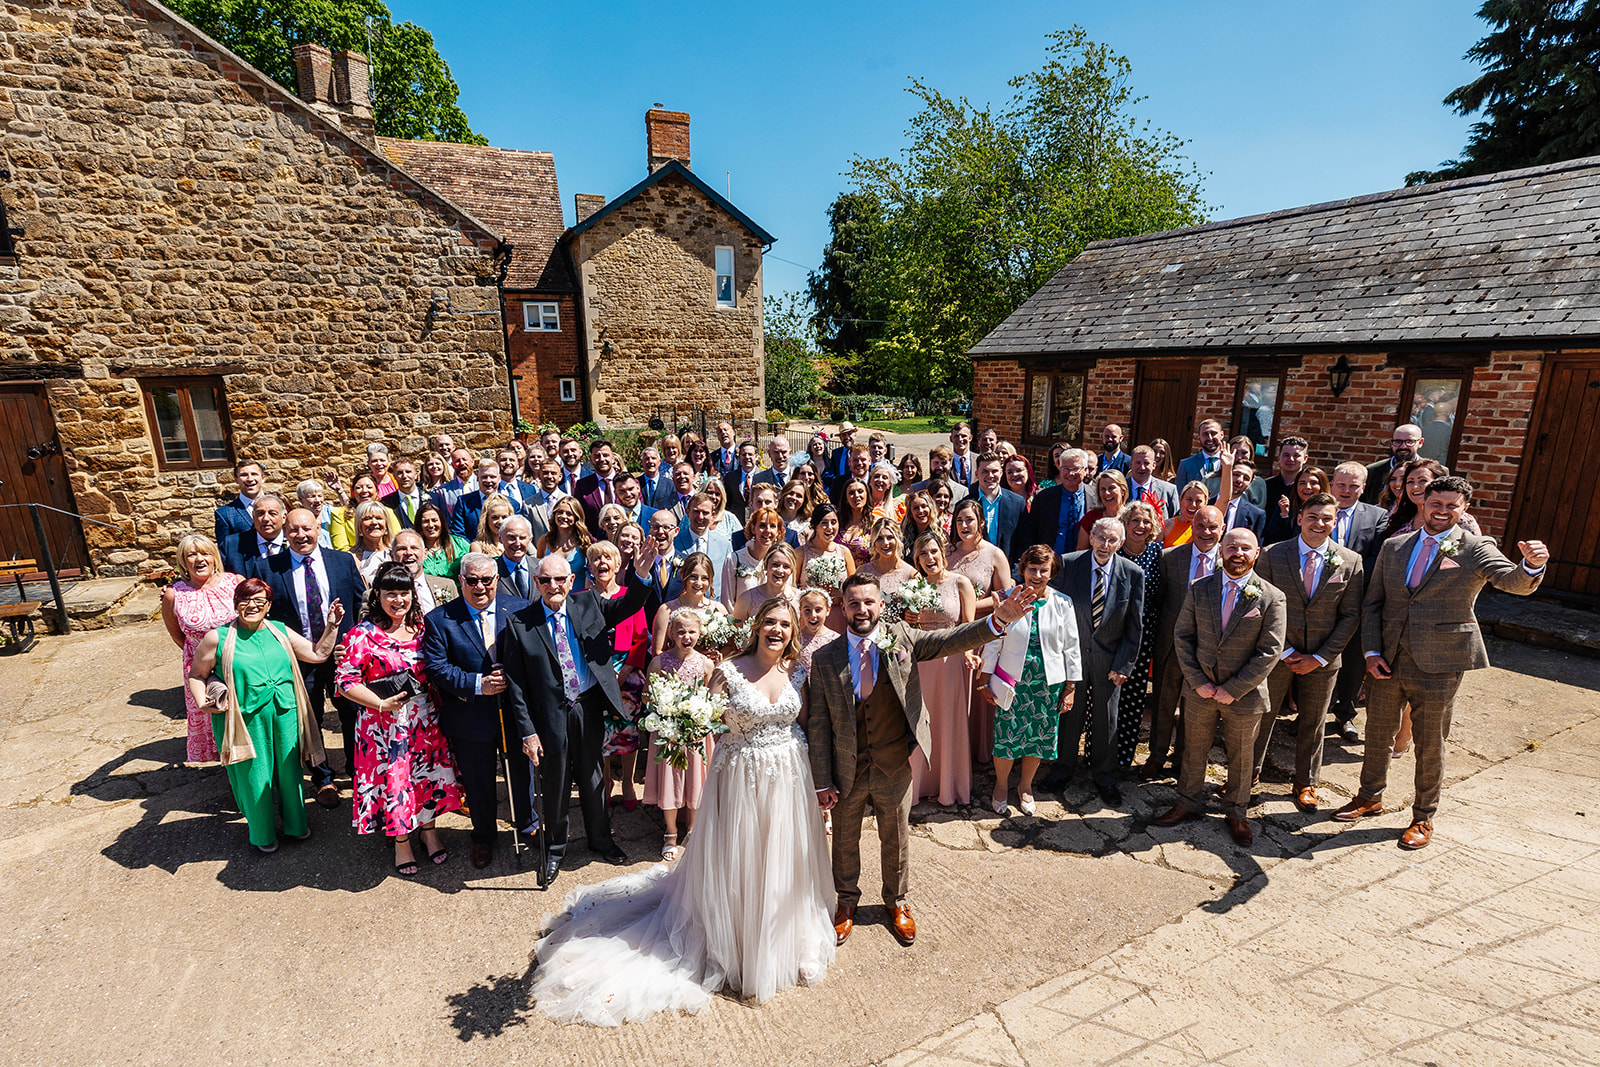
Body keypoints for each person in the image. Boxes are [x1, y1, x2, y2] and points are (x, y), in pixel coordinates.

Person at [530, 598, 835, 1023]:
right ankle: (733, 943)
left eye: (785, 624)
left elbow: (810, 725)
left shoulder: (799, 671)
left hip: (788, 777)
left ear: (793, 630)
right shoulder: (728, 670)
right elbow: (705, 722)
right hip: (740, 779)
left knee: (782, 858)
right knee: (740, 858)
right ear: (757, 626)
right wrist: (682, 725)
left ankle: (785, 937)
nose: (777, 630)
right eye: (769, 622)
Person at [810, 573, 1037, 947]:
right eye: (854, 603)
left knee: (895, 837)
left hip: (894, 760)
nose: (862, 609)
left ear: (882, 605)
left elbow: (950, 639)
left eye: (869, 602)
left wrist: (998, 621)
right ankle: (846, 902)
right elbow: (818, 723)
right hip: (846, 767)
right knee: (845, 839)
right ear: (843, 607)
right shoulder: (824, 658)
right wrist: (822, 780)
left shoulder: (901, 636)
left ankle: (896, 901)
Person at [1334, 476, 1548, 850]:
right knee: (1378, 734)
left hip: (1441, 662)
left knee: (1430, 742)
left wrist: (1530, 567)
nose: (1443, 511)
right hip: (1388, 658)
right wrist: (1371, 652)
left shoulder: (1476, 548)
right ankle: (1370, 797)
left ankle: (1423, 816)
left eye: (1452, 505)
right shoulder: (1395, 546)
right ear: (1423, 503)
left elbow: (1509, 580)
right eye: (1437, 503)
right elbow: (1373, 604)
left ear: (1464, 508)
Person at [502, 536, 659, 885]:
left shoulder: (589, 604)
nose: (553, 586)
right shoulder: (519, 623)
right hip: (550, 714)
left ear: (571, 580)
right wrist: (528, 731)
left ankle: (601, 840)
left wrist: (643, 576)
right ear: (536, 583)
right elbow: (515, 685)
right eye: (545, 580)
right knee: (555, 782)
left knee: (593, 778)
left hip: (587, 706)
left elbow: (629, 606)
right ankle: (555, 848)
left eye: (560, 579)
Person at [1153, 529, 1287, 846]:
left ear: (1257, 554)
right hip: (1200, 691)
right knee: (1193, 751)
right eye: (1231, 547)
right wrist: (1198, 681)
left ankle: (1237, 812)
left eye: (1245, 548)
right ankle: (1187, 802)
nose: (1237, 553)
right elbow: (1182, 636)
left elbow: (1270, 651)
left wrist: (1233, 688)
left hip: (1244, 695)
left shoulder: (1271, 597)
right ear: (1222, 551)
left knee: (1241, 757)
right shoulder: (1201, 589)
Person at [186, 578, 341, 852]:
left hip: (285, 713)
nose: (252, 606)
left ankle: (296, 826)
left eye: (259, 601)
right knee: (254, 777)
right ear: (236, 604)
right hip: (245, 719)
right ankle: (263, 835)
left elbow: (318, 654)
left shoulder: (280, 630)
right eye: (246, 600)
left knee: (289, 772)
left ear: (268, 605)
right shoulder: (217, 637)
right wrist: (202, 701)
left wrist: (332, 626)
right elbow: (197, 675)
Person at [334, 562, 463, 875]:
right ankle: (401, 840)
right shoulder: (362, 634)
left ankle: (429, 831)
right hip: (383, 724)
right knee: (396, 782)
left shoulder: (424, 629)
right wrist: (381, 703)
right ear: (378, 595)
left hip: (425, 718)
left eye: (403, 593)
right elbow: (345, 680)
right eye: (390, 593)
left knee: (428, 777)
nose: (398, 600)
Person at [1249, 494, 1364, 811]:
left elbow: (1351, 615)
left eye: (1327, 517)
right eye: (1313, 516)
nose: (1319, 523)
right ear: (1299, 518)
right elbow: (1260, 606)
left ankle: (1305, 783)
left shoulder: (1351, 562)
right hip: (1276, 655)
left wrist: (1321, 656)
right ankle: (1249, 775)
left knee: (1313, 723)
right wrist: (1284, 651)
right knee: (1262, 716)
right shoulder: (1273, 555)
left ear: (1335, 520)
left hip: (1323, 658)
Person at [246, 508, 365, 806]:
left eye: (307, 528)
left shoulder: (342, 561)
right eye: (294, 530)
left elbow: (361, 603)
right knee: (308, 718)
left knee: (351, 713)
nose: (301, 535)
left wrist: (356, 643)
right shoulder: (269, 569)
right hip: (298, 658)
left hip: (342, 655)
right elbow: (262, 615)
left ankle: (357, 772)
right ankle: (323, 778)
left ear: (318, 528)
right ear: (285, 532)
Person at [422, 551, 535, 863]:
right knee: (477, 779)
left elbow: (535, 656)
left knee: (520, 773)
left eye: (487, 580)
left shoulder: (521, 609)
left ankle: (527, 824)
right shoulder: (440, 619)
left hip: (513, 714)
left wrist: (513, 673)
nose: (480, 586)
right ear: (461, 581)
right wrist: (478, 684)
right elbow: (437, 668)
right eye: (472, 580)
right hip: (470, 715)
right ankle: (483, 835)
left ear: (497, 579)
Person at [1037, 518, 1145, 805]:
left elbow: (1135, 626)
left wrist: (1124, 665)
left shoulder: (1133, 573)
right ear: (1091, 537)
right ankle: (1061, 771)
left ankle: (1104, 777)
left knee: (1105, 721)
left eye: (1112, 541)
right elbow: (1053, 609)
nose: (1105, 546)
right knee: (1069, 715)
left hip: (1109, 661)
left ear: (1120, 544)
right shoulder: (1070, 564)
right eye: (1100, 538)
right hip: (1071, 657)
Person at [978, 544, 1081, 815]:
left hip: (1047, 685)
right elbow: (992, 640)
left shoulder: (1062, 603)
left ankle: (1025, 786)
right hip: (1011, 683)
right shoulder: (1007, 598)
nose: (1036, 575)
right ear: (1022, 570)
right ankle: (1001, 786)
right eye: (1031, 569)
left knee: (1037, 738)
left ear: (1051, 572)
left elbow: (1071, 646)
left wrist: (1070, 687)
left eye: (1042, 570)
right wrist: (984, 679)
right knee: (1006, 737)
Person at [1143, 505, 1224, 779]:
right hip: (1172, 645)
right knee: (1163, 703)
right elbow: (1159, 600)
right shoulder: (1169, 557)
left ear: (1222, 529)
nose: (1206, 532)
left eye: (1213, 527)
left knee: (1195, 708)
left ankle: (1182, 759)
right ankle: (1156, 756)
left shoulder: (1230, 561)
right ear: (1192, 527)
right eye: (1200, 526)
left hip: (1208, 651)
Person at [904, 532, 977, 807]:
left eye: (933, 551)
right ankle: (919, 785)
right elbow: (908, 625)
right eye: (923, 554)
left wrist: (968, 653)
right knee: (921, 720)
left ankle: (948, 786)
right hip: (921, 662)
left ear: (942, 553)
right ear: (917, 559)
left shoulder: (960, 583)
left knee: (946, 720)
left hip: (949, 661)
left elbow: (969, 627)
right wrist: (908, 617)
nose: (929, 558)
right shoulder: (915, 584)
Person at [641, 609, 717, 862]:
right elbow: (648, 696)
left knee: (696, 782)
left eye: (692, 631)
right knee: (670, 782)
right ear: (671, 633)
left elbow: (712, 699)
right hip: (669, 734)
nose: (686, 636)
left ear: (700, 633)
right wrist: (664, 710)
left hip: (696, 735)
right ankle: (671, 833)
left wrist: (701, 716)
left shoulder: (706, 664)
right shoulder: (659, 662)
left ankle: (693, 830)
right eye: (681, 631)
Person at [162, 533, 243, 763]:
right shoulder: (173, 594)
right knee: (215, 716)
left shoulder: (234, 582)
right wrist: (201, 656)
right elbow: (178, 636)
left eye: (205, 553)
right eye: (192, 554)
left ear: (214, 557)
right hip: (201, 668)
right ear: (183, 561)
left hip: (237, 660)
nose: (200, 559)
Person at [1325, 462, 1390, 741]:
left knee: (1352, 659)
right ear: (1332, 484)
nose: (1347, 490)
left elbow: (1378, 555)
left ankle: (1345, 715)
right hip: (1318, 597)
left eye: (1354, 486)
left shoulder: (1377, 516)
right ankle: (1312, 712)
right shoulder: (1318, 510)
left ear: (1363, 488)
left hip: (1358, 596)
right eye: (1341, 485)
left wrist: (1349, 575)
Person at [587, 540, 651, 813]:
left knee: (628, 731)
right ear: (590, 566)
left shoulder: (629, 595)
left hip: (628, 672)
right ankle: (606, 781)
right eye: (596, 559)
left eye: (607, 558)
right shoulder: (581, 598)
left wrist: (625, 671)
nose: (602, 563)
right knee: (600, 732)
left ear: (616, 565)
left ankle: (627, 782)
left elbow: (641, 637)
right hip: (595, 673)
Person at [1109, 501, 1164, 770]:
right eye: (1135, 521)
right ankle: (1100, 754)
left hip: (1143, 637)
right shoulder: (1112, 552)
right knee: (1108, 696)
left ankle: (1122, 758)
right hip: (1112, 636)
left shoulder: (1158, 553)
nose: (1140, 526)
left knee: (1133, 698)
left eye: (1146, 522)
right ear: (1125, 524)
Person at [650, 552, 729, 655]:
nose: (698, 583)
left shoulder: (719, 610)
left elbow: (730, 646)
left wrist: (718, 657)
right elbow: (657, 652)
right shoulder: (666, 610)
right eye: (693, 577)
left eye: (704, 578)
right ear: (683, 575)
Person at [1026, 447, 1090, 555]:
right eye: (1065, 468)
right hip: (1050, 563)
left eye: (1075, 469)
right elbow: (1031, 533)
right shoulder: (1043, 497)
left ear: (1086, 470)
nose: (1070, 473)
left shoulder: (1097, 496)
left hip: (1083, 564)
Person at [972, 452, 1026, 558]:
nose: (990, 476)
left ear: (1001, 473)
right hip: (975, 569)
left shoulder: (1017, 503)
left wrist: (1016, 573)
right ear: (976, 474)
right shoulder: (965, 504)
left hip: (1009, 570)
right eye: (985, 471)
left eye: (994, 471)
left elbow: (1024, 542)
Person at [331, 472, 399, 551]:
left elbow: (396, 540)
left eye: (369, 487)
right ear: (353, 492)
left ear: (377, 491)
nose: (364, 490)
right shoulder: (339, 514)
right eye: (359, 487)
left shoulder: (388, 511)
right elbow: (341, 548)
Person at [732, 542, 800, 620]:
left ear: (791, 570)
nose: (780, 570)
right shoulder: (746, 599)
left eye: (786, 567)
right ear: (765, 565)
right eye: (775, 564)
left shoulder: (799, 599)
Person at [221, 493, 288, 574]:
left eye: (272, 513)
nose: (266, 518)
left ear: (284, 517)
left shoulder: (295, 543)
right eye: (260, 513)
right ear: (253, 517)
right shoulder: (232, 545)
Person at [1264, 465, 1330, 546]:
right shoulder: (1286, 508)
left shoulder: (1330, 511)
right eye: (1302, 483)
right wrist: (1284, 515)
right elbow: (1273, 538)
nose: (1307, 487)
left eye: (1313, 483)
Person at [538, 496, 592, 591]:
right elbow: (539, 572)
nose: (563, 516)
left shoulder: (585, 543)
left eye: (569, 514)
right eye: (560, 512)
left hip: (578, 599)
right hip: (552, 596)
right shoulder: (544, 541)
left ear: (576, 517)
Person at [1363, 423, 1426, 504]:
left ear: (1420, 442)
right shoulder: (1372, 471)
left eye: (1409, 442)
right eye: (1397, 442)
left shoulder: (1432, 472)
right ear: (1391, 443)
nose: (1403, 446)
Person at [451, 459, 511, 542]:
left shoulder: (512, 504)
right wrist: (475, 550)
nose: (488, 480)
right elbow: (458, 534)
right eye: (484, 477)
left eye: (492, 477)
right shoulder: (464, 502)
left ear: (499, 478)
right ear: (477, 478)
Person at [858, 519, 915, 601]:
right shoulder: (863, 571)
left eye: (890, 537)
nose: (885, 543)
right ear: (874, 542)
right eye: (879, 538)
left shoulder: (911, 574)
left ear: (898, 539)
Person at [214, 459, 266, 546]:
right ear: (236, 479)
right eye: (244, 475)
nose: (250, 479)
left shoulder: (279, 504)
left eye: (254, 474)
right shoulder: (224, 514)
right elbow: (225, 550)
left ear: (263, 478)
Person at [416, 500, 468, 584]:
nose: (431, 525)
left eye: (434, 520)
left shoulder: (459, 543)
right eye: (426, 521)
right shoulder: (415, 549)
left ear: (441, 522)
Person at [1075, 470, 1130, 551]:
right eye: (1103, 489)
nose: (1107, 493)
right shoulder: (1091, 518)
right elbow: (1081, 552)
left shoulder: (1132, 517)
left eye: (1111, 488)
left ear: (1123, 491)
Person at [1175, 419, 1228, 499]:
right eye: (1205, 434)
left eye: (1214, 433)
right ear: (1198, 437)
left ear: (1222, 435)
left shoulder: (1230, 463)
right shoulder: (1186, 464)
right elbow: (1180, 495)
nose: (1210, 438)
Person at [1126, 445, 1179, 522]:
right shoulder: (1120, 488)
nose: (1142, 467)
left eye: (1146, 463)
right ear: (1131, 464)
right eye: (1138, 463)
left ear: (1154, 465)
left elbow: (1175, 520)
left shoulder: (1169, 490)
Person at [348, 499, 394, 583]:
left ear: (386, 524)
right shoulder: (351, 557)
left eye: (379, 518)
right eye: (367, 518)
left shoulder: (395, 553)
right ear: (359, 526)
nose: (374, 522)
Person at [1263, 436, 1310, 519]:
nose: (1291, 459)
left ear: (1305, 459)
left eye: (1296, 455)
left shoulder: (1309, 489)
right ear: (1279, 458)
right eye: (1286, 455)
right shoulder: (1265, 486)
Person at [1220, 461, 1267, 538]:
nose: (1239, 480)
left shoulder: (1256, 515)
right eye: (1236, 474)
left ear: (1250, 484)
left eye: (1246, 478)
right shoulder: (1206, 504)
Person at [796, 587, 839, 671]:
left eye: (818, 610)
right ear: (800, 610)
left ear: (827, 610)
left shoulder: (835, 639)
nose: (813, 615)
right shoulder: (795, 638)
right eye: (807, 610)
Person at [720, 440, 764, 521]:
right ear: (739, 458)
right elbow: (727, 501)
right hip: (736, 522)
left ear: (756, 457)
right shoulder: (730, 477)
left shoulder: (764, 476)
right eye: (744, 454)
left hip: (758, 522)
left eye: (750, 454)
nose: (747, 457)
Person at [381, 457, 426, 531]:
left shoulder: (434, 498)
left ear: (416, 475)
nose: (404, 476)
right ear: (394, 476)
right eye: (400, 473)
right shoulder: (386, 502)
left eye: (408, 472)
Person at [1163, 481, 1210, 547]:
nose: (1193, 505)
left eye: (1198, 501)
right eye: (1189, 499)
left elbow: (1224, 499)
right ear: (1180, 500)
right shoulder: (1165, 526)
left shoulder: (1208, 529)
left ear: (1205, 503)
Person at [294, 479, 335, 549]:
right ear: (300, 499)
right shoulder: (299, 518)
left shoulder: (331, 512)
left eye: (320, 496)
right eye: (312, 496)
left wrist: (340, 492)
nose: (318, 500)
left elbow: (351, 512)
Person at [947, 421, 977, 486]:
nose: (960, 439)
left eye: (964, 436)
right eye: (956, 436)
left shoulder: (978, 460)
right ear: (951, 439)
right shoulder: (946, 461)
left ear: (970, 438)